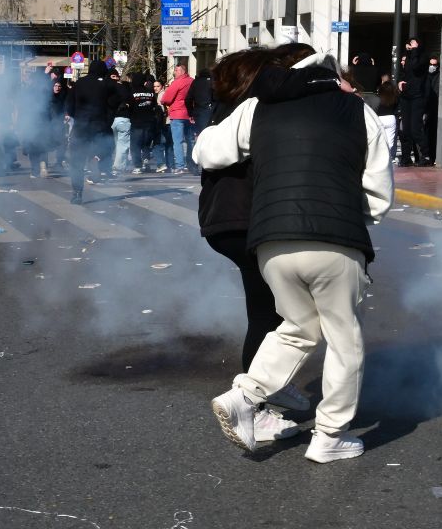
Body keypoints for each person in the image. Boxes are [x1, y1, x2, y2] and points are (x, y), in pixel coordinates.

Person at [195, 50, 393, 463]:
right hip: (334, 240)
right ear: (334, 76)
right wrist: (350, 218)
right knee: (344, 341)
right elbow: (378, 195)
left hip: (270, 241)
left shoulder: (257, 108)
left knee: (297, 327)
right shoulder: (358, 112)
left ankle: (243, 396)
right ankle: (330, 436)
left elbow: (207, 151)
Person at [65, 63, 118, 203]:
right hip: (99, 129)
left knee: (76, 162)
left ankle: (77, 193)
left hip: (81, 129)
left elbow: (69, 107)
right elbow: (120, 97)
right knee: (103, 149)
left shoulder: (79, 84)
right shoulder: (106, 84)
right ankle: (95, 161)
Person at [397, 37, 432, 166]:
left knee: (415, 128)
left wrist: (415, 51)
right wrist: (400, 82)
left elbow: (417, 68)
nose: (410, 45)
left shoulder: (423, 57)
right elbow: (404, 73)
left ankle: (426, 156)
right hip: (406, 96)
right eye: (409, 43)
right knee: (405, 129)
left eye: (413, 43)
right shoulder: (407, 56)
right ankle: (406, 158)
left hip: (418, 96)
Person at [158, 62, 194, 175]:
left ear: (182, 71)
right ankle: (191, 163)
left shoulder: (177, 83)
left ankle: (180, 165)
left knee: (177, 141)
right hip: (189, 114)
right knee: (190, 141)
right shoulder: (192, 81)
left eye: (176, 70)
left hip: (177, 114)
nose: (174, 72)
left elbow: (165, 99)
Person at [186, 69, 215, 136]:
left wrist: (190, 113)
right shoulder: (212, 82)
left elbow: (188, 99)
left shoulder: (195, 82)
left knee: (200, 134)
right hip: (211, 111)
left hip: (198, 112)